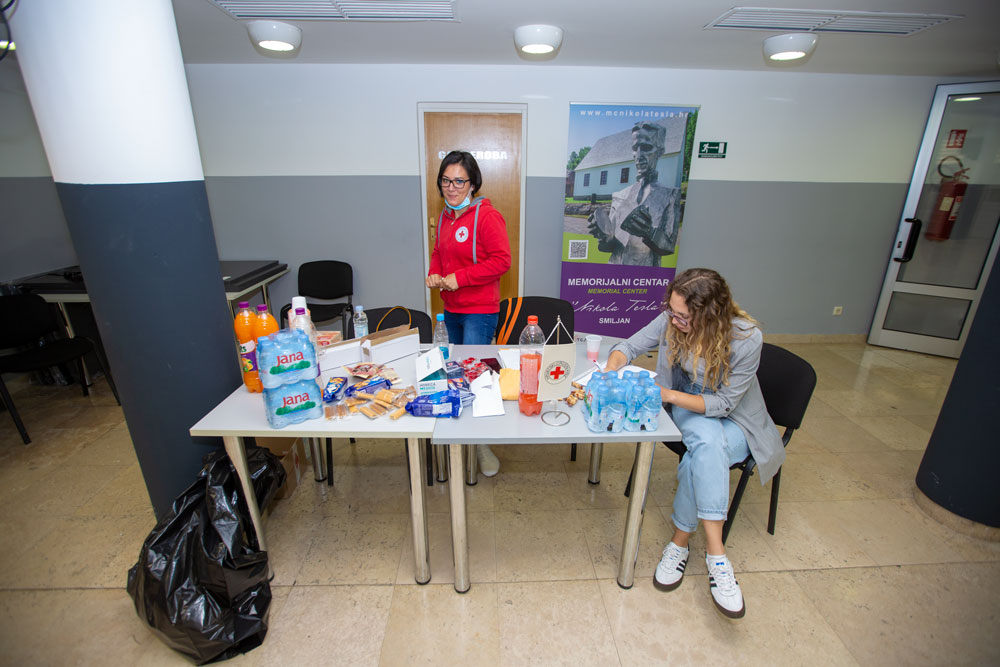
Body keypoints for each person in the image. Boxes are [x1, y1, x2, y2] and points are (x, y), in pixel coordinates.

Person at [604, 268, 782, 619]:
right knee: (707, 441)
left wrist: (667, 394)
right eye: (671, 311)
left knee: (701, 452)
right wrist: (610, 369)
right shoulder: (672, 319)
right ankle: (717, 556)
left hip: (737, 420)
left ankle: (681, 543)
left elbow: (724, 404)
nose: (674, 320)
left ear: (711, 314)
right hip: (690, 407)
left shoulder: (747, 338)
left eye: (682, 316)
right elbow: (629, 346)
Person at [427, 150, 511, 477]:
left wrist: (459, 278)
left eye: (459, 181)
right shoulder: (445, 216)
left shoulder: (487, 217)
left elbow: (502, 261)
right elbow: (439, 252)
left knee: (478, 380)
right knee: (455, 375)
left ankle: (481, 445)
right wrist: (435, 273)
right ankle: (459, 438)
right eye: (446, 181)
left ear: (473, 184)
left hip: (479, 312)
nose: (451, 188)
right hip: (451, 309)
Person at [587, 121, 680, 266]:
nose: (639, 155)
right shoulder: (619, 195)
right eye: (636, 148)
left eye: (647, 148)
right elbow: (609, 247)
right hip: (612, 272)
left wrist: (649, 232)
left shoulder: (670, 195)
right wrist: (604, 236)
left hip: (644, 275)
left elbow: (668, 247)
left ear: (660, 151)